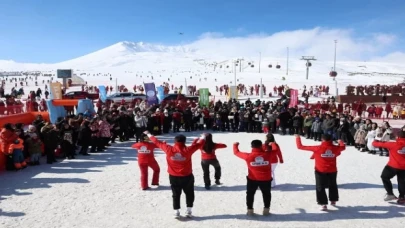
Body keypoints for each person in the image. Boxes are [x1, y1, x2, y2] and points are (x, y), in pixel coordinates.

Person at [144, 130, 206, 218]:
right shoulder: (188, 149)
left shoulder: (168, 148)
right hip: (187, 176)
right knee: (189, 193)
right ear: (184, 141)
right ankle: (189, 210)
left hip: (173, 176)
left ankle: (176, 211)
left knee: (176, 194)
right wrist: (203, 136)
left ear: (175, 141)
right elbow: (200, 144)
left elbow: (156, 142)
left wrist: (148, 134)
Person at [295, 134, 345, 211]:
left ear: (322, 139)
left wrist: (298, 138)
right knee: (333, 184)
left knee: (320, 186)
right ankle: (333, 200)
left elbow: (300, 146)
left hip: (320, 170)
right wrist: (340, 142)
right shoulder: (335, 148)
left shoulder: (318, 148)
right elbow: (343, 147)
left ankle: (323, 203)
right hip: (332, 170)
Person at [233, 140, 272, 216]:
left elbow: (236, 152)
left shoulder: (248, 156)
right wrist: (271, 144)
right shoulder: (268, 155)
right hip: (266, 179)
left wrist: (235, 145)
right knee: (266, 194)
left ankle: (250, 210)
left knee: (250, 194)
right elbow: (275, 150)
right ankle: (266, 210)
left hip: (252, 179)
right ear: (261, 146)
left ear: (252, 147)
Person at [372, 130, 405, 204]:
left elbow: (374, 144)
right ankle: (402, 197)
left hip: (393, 165)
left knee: (384, 177)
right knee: (402, 181)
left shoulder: (393, 144)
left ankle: (390, 194)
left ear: (398, 137)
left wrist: (377, 138)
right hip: (404, 167)